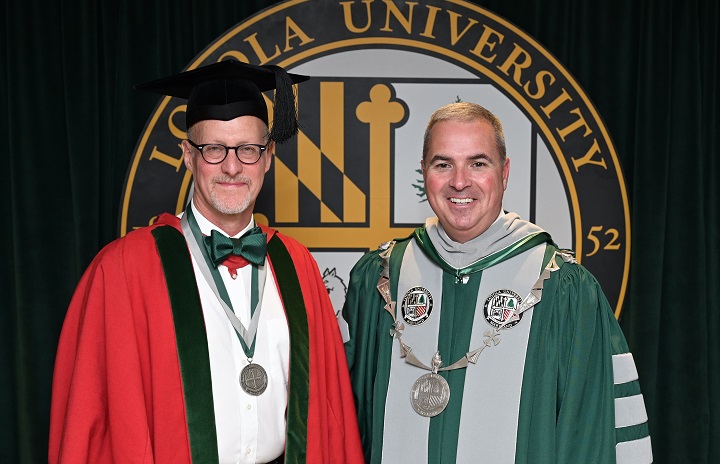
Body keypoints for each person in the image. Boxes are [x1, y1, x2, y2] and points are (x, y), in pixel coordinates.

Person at [49, 60, 364, 464]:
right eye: (214, 149)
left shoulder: (296, 264)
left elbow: (328, 412)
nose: (232, 167)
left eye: (248, 150)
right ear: (187, 155)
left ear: (268, 156)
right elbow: (90, 422)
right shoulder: (124, 270)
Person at [342, 102, 652, 463]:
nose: (460, 181)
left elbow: (592, 432)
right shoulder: (381, 279)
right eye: (443, 164)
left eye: (478, 163)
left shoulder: (562, 288)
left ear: (504, 173)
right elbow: (342, 421)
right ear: (424, 172)